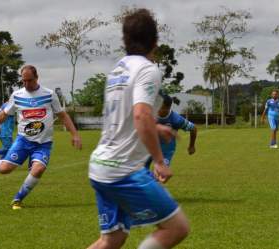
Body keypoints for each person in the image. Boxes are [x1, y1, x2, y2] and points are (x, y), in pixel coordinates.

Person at [87, 9, 189, 249]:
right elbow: (140, 113)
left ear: (125, 40)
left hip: (100, 166)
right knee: (176, 228)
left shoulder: (117, 70)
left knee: (112, 239)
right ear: (155, 41)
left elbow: (127, 114)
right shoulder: (147, 69)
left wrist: (154, 126)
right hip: (123, 171)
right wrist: (160, 160)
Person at [0, 65, 82, 210]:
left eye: (29, 80)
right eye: (24, 81)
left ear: (37, 78)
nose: (26, 84)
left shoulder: (49, 94)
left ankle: (17, 199)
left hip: (43, 143)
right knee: (5, 169)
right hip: (23, 141)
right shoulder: (17, 95)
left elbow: (62, 115)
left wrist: (75, 134)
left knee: (38, 169)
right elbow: (3, 114)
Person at [145, 95, 197, 169]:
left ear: (168, 108)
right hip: (149, 148)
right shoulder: (151, 114)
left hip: (166, 150)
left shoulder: (176, 119)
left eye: (160, 107)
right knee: (141, 170)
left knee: (161, 174)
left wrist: (192, 146)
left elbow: (193, 128)